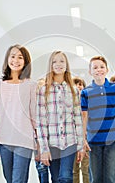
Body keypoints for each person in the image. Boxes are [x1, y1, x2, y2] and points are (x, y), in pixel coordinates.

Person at [36, 51, 85, 183]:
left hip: (70, 141)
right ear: (50, 66)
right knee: (56, 178)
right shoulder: (43, 91)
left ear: (66, 65)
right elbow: (41, 122)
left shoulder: (74, 90)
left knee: (66, 177)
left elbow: (78, 119)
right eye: (55, 61)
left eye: (62, 61)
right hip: (52, 143)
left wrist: (80, 146)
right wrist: (44, 149)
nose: (58, 64)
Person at [0, 44, 37, 183]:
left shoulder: (31, 85)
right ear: (7, 59)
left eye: (20, 57)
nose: (15, 60)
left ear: (25, 62)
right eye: (12, 56)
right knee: (9, 179)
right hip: (4, 139)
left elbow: (34, 114)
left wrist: (39, 142)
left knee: (18, 180)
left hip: (24, 140)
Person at [72, 77, 91, 183]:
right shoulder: (68, 103)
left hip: (86, 138)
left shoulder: (88, 102)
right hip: (72, 139)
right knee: (74, 169)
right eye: (76, 84)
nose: (78, 86)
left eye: (80, 84)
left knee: (86, 168)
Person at [35, 77, 49, 183]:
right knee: (40, 167)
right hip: (37, 139)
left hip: (50, 139)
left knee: (48, 165)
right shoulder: (34, 106)